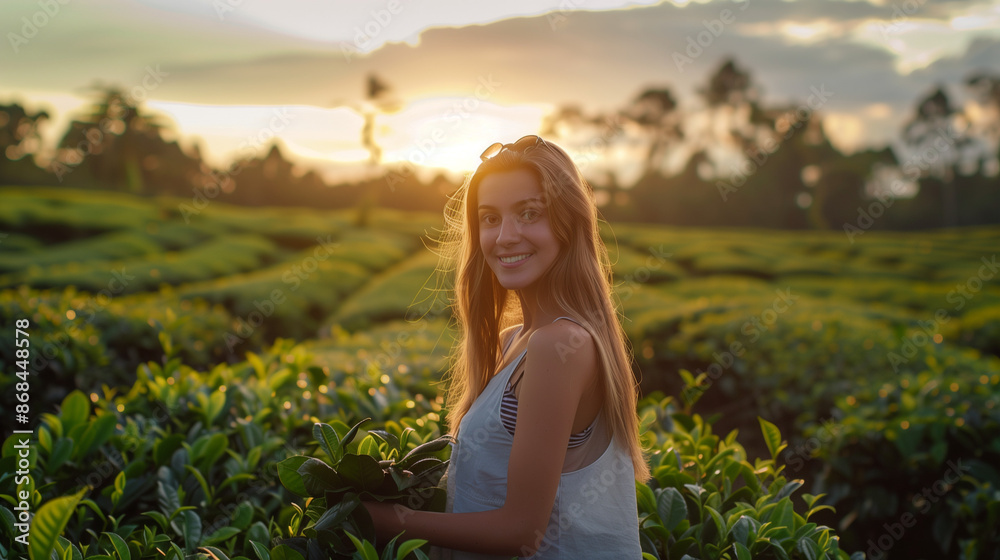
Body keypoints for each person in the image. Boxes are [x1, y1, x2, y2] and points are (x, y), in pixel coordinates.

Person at [362, 135, 650, 559]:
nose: (505, 236)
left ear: (568, 223)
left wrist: (389, 522)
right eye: (489, 218)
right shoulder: (513, 342)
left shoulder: (560, 345)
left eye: (529, 213)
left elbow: (520, 532)